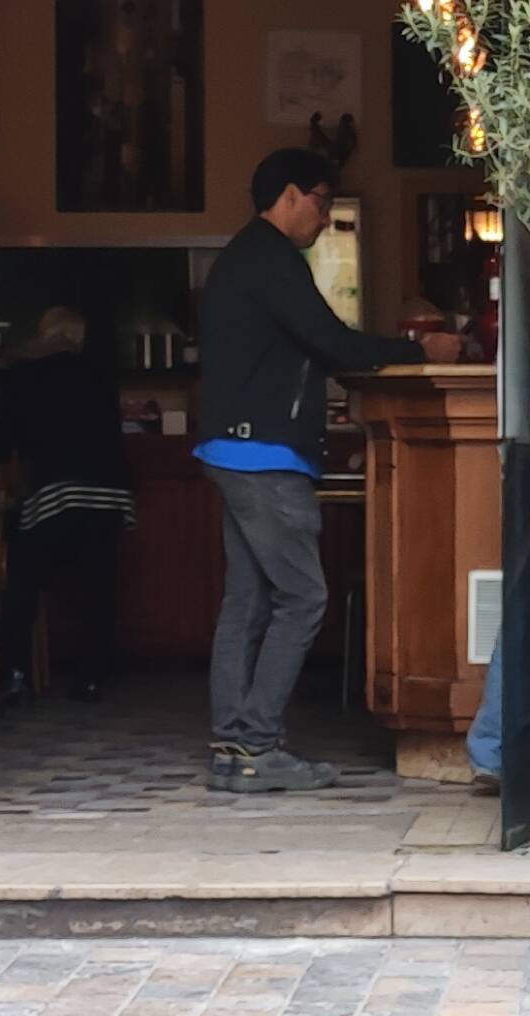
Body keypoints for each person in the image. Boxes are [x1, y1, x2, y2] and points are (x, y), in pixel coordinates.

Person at [196, 148, 461, 792]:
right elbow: (333, 341)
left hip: (232, 451)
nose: (324, 216)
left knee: (250, 601)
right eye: (321, 201)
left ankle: (233, 748)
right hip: (265, 454)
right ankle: (257, 744)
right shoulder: (270, 258)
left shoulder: (244, 256)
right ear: (289, 196)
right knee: (304, 596)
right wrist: (416, 349)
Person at [0, 304, 131, 703]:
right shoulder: (100, 375)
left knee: (23, 579)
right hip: (108, 492)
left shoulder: (25, 374)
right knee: (98, 588)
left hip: (53, 493)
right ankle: (92, 677)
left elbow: (3, 443)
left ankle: (15, 671)